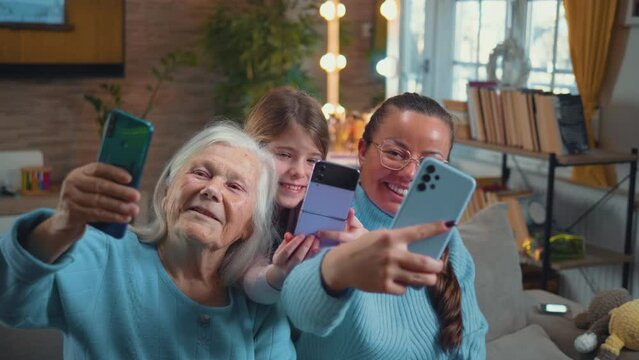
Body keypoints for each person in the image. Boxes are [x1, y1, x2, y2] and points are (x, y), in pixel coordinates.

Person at [0, 122, 295, 359]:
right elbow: (11, 304)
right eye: (201, 173)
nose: (212, 190)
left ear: (249, 227)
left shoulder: (256, 303)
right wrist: (61, 225)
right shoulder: (103, 254)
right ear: (167, 190)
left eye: (234, 186)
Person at [281, 93, 488, 359]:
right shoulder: (332, 211)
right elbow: (298, 312)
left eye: (430, 164)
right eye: (394, 153)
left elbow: (471, 339)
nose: (410, 173)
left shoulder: (446, 237)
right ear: (363, 151)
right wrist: (340, 266)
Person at [242, 86, 340, 304]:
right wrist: (276, 275)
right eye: (285, 154)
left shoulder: (321, 209)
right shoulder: (239, 205)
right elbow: (251, 280)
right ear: (253, 148)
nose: (299, 171)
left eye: (312, 160)